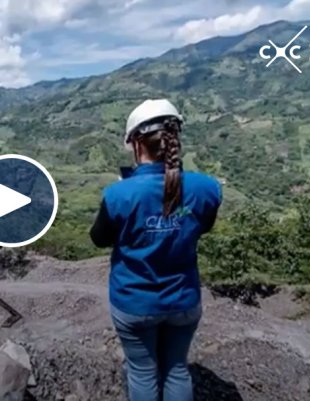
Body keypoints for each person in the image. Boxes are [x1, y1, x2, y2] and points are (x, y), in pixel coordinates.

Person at [90, 99, 223, 401]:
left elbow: (99, 239)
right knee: (177, 369)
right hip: (184, 299)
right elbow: (204, 226)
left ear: (137, 144)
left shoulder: (119, 194)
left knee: (142, 372)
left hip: (134, 301)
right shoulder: (208, 189)